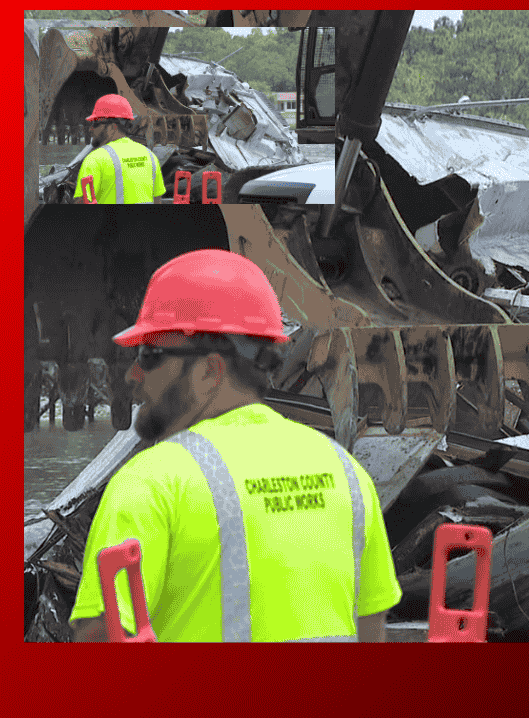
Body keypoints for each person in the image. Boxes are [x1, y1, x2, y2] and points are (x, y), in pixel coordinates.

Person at [68, 249, 401, 641]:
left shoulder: (151, 483)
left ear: (210, 371)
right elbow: (370, 636)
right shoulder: (347, 474)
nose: (134, 374)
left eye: (151, 355)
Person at [71, 94, 166, 204]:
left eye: (96, 123)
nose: (91, 129)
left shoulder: (95, 159)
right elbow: (157, 200)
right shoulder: (150, 156)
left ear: (112, 126)